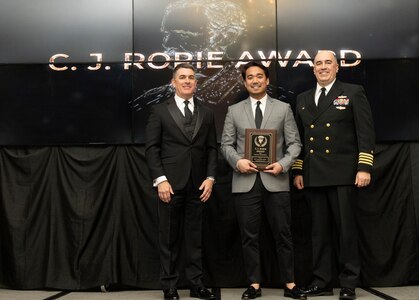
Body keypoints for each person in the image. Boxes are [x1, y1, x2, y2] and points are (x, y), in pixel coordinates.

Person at [292, 50, 375, 300]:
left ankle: (349, 283)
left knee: (346, 231)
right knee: (318, 232)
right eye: (318, 63)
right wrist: (298, 169)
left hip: (343, 173)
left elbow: (366, 132)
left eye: (328, 62)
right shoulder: (303, 99)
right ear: (313, 68)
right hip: (314, 174)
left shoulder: (353, 92)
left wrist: (364, 167)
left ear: (337, 67)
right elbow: (300, 139)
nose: (323, 67)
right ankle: (322, 281)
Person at [220, 61, 306, 300]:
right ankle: (254, 285)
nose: (255, 80)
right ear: (245, 81)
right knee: (249, 237)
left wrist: (283, 164)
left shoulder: (283, 108)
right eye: (250, 77)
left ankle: (290, 284)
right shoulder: (234, 111)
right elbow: (225, 145)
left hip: (276, 180)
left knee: (283, 235)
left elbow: (295, 144)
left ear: (267, 81)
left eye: (259, 76)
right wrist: (238, 162)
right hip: (244, 181)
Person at [145, 63, 218, 300]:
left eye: (191, 78)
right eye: (182, 78)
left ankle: (196, 285)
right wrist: (161, 180)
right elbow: (152, 149)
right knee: (168, 238)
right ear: (173, 82)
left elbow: (212, 149)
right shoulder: (159, 111)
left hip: (198, 185)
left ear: (196, 83)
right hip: (170, 185)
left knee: (195, 237)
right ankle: (170, 286)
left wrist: (210, 178)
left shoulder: (207, 113)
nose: (187, 81)